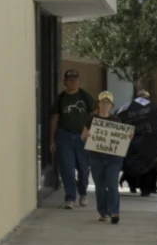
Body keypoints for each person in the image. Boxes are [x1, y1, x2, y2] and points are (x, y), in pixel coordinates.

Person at [51, 69, 96, 209]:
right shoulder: (61, 98)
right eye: (70, 80)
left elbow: (95, 113)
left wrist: (91, 132)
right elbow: (54, 119)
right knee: (67, 169)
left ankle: (82, 193)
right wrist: (52, 140)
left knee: (83, 169)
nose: (73, 82)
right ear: (65, 82)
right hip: (64, 136)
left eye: (75, 80)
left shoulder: (84, 96)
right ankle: (70, 197)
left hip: (82, 137)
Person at [82, 92, 129, 224]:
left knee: (112, 185)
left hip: (113, 159)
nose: (105, 105)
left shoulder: (116, 120)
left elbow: (121, 138)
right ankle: (103, 212)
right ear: (98, 104)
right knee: (100, 187)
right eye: (103, 102)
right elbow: (83, 136)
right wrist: (88, 136)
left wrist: (127, 138)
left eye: (108, 103)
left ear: (111, 105)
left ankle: (114, 212)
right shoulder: (92, 119)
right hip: (96, 158)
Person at [117, 90, 157, 197]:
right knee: (148, 167)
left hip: (135, 145)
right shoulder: (153, 109)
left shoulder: (127, 108)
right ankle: (146, 189)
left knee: (133, 166)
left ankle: (138, 186)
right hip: (147, 146)